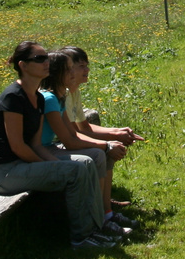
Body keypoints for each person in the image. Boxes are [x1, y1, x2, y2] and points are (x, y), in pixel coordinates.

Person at [0, 41, 122, 250]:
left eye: (46, 58)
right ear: (23, 65)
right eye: (39, 59)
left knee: (85, 163)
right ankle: (81, 238)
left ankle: (99, 225)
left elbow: (36, 143)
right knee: (77, 169)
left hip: (26, 162)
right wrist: (49, 165)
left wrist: (54, 163)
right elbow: (17, 147)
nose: (46, 62)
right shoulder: (12, 97)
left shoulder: (38, 98)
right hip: (7, 171)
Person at [41, 51, 133, 233]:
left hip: (52, 147)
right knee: (98, 155)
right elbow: (70, 138)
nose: (77, 72)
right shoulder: (52, 98)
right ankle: (97, 219)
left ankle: (105, 213)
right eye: (72, 68)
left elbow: (79, 130)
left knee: (100, 154)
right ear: (58, 73)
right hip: (46, 150)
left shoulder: (61, 96)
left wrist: (114, 135)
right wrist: (107, 144)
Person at [59, 45, 143, 212]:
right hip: (59, 144)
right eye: (81, 66)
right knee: (103, 152)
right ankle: (102, 208)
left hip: (68, 140)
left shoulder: (74, 92)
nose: (87, 69)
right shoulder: (64, 94)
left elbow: (84, 126)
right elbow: (75, 133)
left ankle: (104, 203)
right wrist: (110, 142)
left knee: (106, 151)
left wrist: (117, 132)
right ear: (67, 69)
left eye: (87, 65)